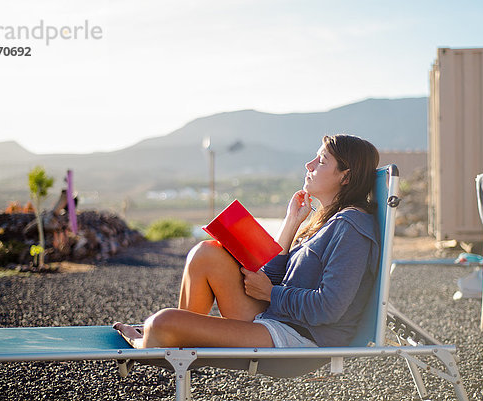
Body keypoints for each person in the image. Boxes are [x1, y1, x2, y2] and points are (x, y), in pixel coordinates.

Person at [114, 134, 380, 348]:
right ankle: (178, 341)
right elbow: (278, 279)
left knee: (163, 321)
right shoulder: (325, 222)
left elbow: (328, 308)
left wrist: (270, 293)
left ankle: (164, 336)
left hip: (303, 336)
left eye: (321, 161)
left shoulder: (351, 228)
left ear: (346, 177)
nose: (308, 166)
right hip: (280, 317)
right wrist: (291, 223)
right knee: (205, 253)